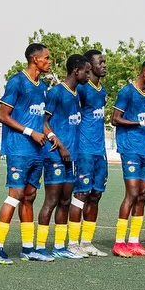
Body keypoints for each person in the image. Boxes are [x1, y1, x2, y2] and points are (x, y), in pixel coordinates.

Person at [0, 43, 49, 265]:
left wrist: (48, 136)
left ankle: (28, 248)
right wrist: (30, 132)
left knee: (30, 196)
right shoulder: (17, 82)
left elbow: (42, 119)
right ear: (35, 59)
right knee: (15, 194)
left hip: (37, 151)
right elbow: (3, 115)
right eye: (46, 58)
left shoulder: (42, 87)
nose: (49, 62)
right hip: (19, 149)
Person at [110, 59, 145, 258]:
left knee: (142, 195)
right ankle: (119, 243)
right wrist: (143, 122)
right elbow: (114, 119)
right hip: (130, 148)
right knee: (132, 193)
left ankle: (133, 241)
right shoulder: (126, 92)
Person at [36, 54, 90, 259]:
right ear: (76, 71)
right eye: (86, 71)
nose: (88, 74)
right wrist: (58, 144)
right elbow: (42, 121)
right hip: (56, 156)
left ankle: (60, 246)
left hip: (72, 156)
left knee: (66, 201)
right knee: (51, 200)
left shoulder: (76, 93)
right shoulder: (56, 92)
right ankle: (40, 246)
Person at [67, 49, 109, 257]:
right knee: (81, 194)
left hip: (100, 151)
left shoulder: (102, 91)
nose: (104, 65)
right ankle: (72, 243)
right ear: (89, 66)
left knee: (96, 195)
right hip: (83, 150)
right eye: (100, 62)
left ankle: (87, 242)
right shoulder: (82, 90)